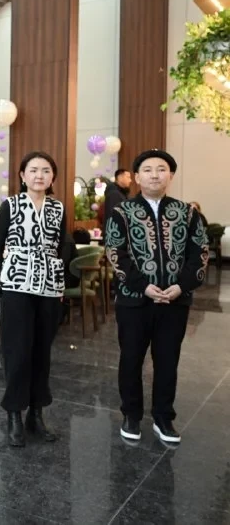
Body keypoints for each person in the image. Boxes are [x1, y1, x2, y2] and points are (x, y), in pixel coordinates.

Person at [105, 149, 208, 444]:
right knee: (131, 359)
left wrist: (181, 286)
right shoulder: (122, 212)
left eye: (161, 169)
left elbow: (199, 253)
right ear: (137, 177)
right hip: (134, 300)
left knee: (167, 360)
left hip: (175, 301)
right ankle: (131, 414)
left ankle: (163, 417)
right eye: (147, 170)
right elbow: (115, 252)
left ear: (170, 175)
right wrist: (143, 286)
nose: (154, 175)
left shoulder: (187, 213)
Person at [0, 152, 67, 447]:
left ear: (52, 177)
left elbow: (63, 245)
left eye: (45, 170)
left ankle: (36, 414)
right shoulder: (10, 205)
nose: (39, 175)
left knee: (41, 353)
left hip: (49, 287)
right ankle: (14, 414)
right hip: (16, 285)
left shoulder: (57, 208)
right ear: (22, 175)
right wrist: (0, 280)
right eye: (33, 170)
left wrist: (59, 276)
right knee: (17, 351)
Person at [102, 168, 131, 233]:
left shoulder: (121, 193)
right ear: (120, 178)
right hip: (115, 233)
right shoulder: (114, 194)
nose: (130, 180)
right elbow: (113, 216)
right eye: (128, 177)